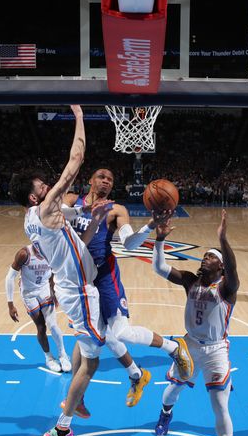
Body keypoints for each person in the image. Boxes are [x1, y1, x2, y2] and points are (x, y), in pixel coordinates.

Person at [9, 106, 183, 436]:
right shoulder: (51, 207)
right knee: (99, 350)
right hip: (78, 287)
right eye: (42, 186)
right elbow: (75, 160)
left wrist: (101, 221)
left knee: (91, 346)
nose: (48, 186)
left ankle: (78, 401)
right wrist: (78, 116)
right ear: (34, 197)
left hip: (82, 281)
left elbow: (79, 236)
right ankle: (63, 425)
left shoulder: (39, 216)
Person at [63, 168, 192, 408]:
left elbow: (129, 244)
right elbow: (54, 217)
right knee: (88, 338)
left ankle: (173, 347)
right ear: (90, 180)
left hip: (104, 276)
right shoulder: (71, 200)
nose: (106, 181)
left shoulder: (116, 210)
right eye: (101, 176)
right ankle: (132, 377)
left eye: (110, 179)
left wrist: (150, 225)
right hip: (78, 280)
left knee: (119, 332)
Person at [151, 209, 241, 436]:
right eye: (205, 255)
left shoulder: (227, 287)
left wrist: (223, 239)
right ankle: (165, 415)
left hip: (216, 350)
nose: (206, 257)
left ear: (221, 267)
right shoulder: (190, 280)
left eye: (212, 256)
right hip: (190, 345)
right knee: (174, 388)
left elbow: (234, 269)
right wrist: (159, 241)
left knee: (219, 406)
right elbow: (160, 268)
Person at [5, 244, 71, 372]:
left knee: (53, 325)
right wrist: (10, 305)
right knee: (41, 327)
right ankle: (49, 358)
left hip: (44, 289)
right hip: (29, 294)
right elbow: (9, 277)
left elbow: (52, 272)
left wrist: (53, 291)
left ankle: (63, 355)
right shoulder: (24, 254)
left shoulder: (51, 251)